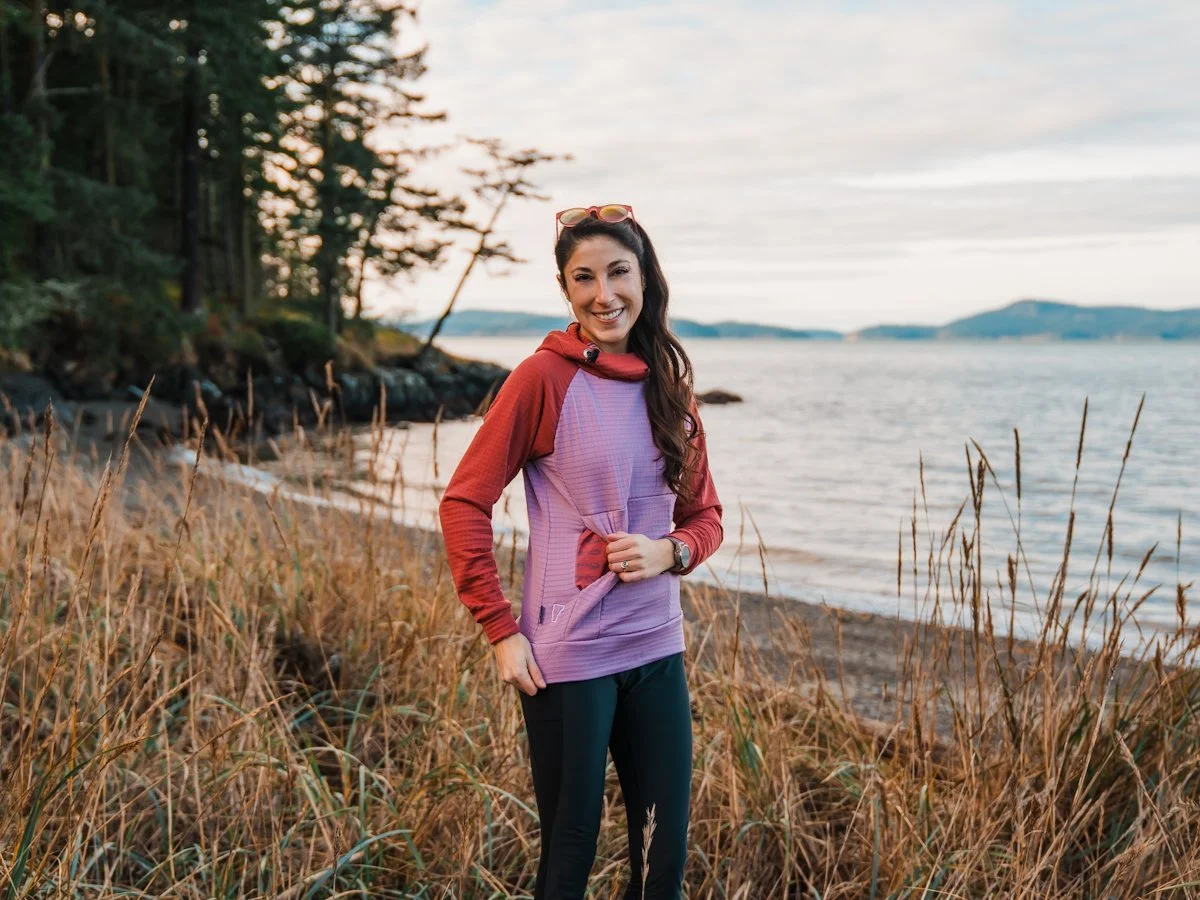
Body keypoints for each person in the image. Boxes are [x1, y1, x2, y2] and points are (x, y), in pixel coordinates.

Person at [439, 203, 724, 898]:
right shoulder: (543, 380)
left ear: (646, 277)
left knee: (663, 862)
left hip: (656, 651)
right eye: (584, 278)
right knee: (569, 854)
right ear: (566, 291)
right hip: (567, 658)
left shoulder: (672, 392)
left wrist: (670, 554)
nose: (605, 294)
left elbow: (706, 517)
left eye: (619, 272)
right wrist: (501, 630)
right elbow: (464, 503)